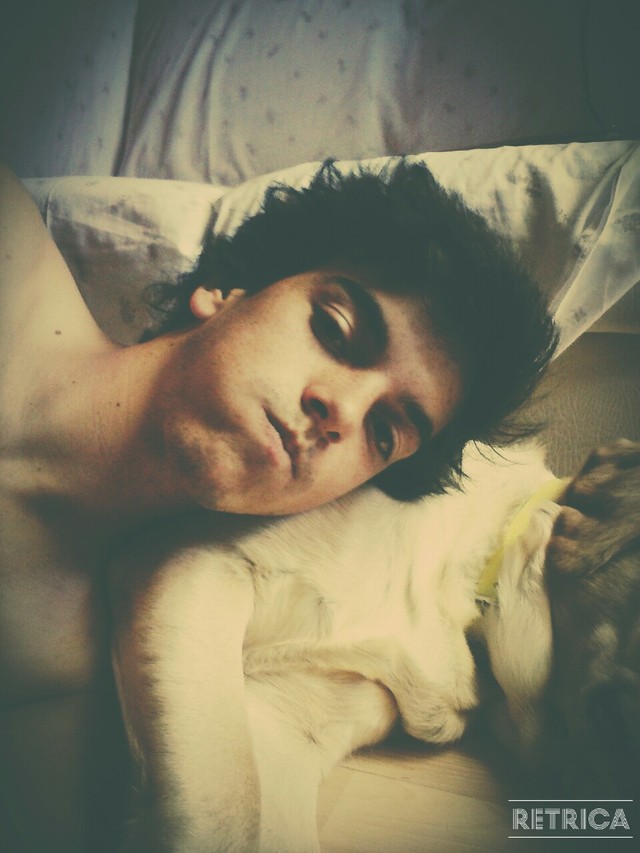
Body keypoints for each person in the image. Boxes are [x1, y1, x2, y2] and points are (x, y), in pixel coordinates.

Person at [0, 158, 556, 851]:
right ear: (225, 292)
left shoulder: (64, 706)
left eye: (384, 432)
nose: (342, 410)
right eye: (335, 328)